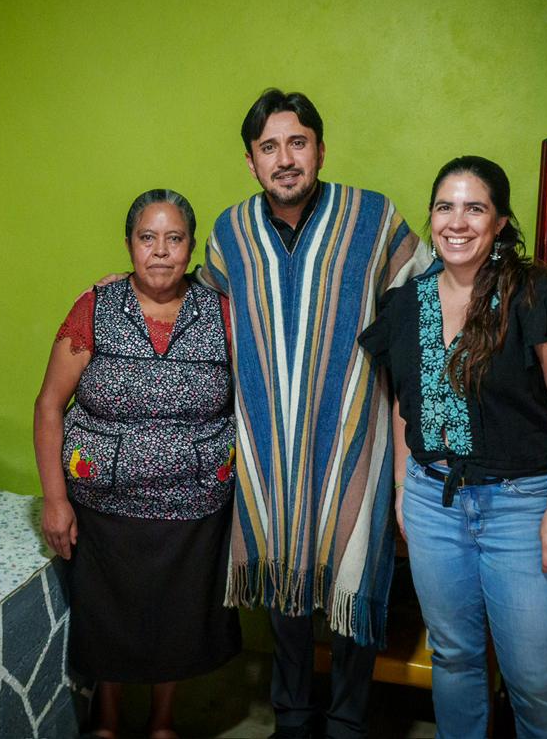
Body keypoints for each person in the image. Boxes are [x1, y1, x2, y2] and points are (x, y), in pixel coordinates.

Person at [202, 89, 432, 738]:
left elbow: (424, 300)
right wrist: (126, 292)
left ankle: (348, 718)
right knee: (279, 570)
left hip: (355, 429)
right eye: (269, 147)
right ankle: (293, 713)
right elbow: (209, 316)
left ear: (320, 149)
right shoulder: (230, 232)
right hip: (267, 434)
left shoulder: (373, 217)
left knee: (353, 571)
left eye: (297, 142)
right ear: (251, 161)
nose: (285, 158)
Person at [359, 156, 547, 738]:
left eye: (475, 208)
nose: (457, 221)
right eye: (445, 206)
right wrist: (400, 491)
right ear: (432, 217)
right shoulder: (408, 302)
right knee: (454, 656)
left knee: (535, 677)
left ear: (499, 222)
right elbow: (402, 402)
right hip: (432, 500)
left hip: (522, 507)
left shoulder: (537, 295)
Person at [33, 189, 240, 739]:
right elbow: (49, 405)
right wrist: (55, 500)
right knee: (109, 619)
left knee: (177, 618)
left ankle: (163, 721)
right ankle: (105, 717)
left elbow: (255, 399)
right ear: (129, 245)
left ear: (191, 247)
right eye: (148, 238)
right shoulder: (95, 308)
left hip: (194, 507)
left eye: (175, 239)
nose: (161, 252)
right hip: (104, 507)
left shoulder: (221, 312)